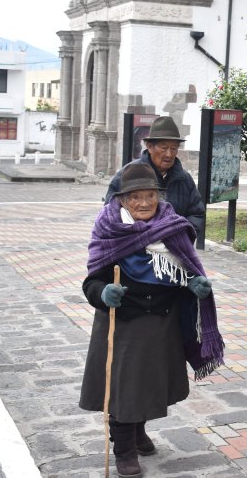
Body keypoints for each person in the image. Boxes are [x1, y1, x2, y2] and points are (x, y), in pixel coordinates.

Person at [80, 162, 224, 477]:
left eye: (150, 196)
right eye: (135, 197)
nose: (144, 203)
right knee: (124, 388)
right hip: (124, 324)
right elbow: (91, 283)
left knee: (148, 386)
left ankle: (138, 431)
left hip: (161, 323)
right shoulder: (108, 229)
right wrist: (104, 293)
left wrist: (193, 284)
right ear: (121, 200)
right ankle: (124, 450)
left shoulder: (171, 225)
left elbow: (186, 268)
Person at [105, 116, 206, 237]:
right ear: (149, 146)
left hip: (174, 248)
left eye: (174, 148)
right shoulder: (129, 174)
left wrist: (182, 237)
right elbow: (110, 212)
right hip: (135, 248)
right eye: (164, 148)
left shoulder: (184, 179)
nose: (169, 154)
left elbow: (196, 213)